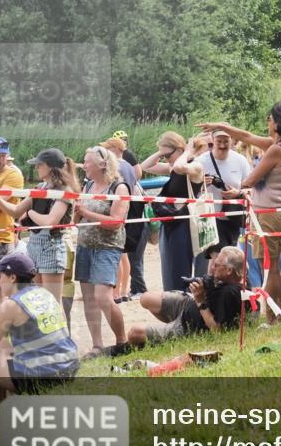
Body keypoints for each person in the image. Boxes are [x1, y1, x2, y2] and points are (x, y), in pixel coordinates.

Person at [198, 104, 281, 324]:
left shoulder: (275, 149)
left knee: (272, 268)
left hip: (268, 214)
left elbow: (251, 179)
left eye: (270, 119)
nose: (267, 122)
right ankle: (279, 314)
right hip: (274, 212)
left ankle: (273, 317)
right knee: (273, 266)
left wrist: (236, 191)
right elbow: (245, 136)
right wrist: (220, 126)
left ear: (277, 123)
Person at [0, 253, 79, 404]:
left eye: (0, 275)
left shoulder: (11, 305)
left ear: (12, 278)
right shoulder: (45, 294)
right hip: (66, 371)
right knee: (3, 346)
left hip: (39, 379)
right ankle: (1, 404)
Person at [0, 148, 77, 310]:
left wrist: (30, 213)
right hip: (34, 245)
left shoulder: (65, 191)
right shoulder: (40, 187)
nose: (36, 168)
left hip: (52, 246)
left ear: (49, 167)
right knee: (38, 300)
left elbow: (51, 221)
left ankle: (59, 334)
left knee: (52, 302)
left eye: (39, 165)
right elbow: (16, 211)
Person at [128, 245, 245, 346]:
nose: (212, 268)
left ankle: (169, 331)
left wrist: (200, 300)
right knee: (146, 298)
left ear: (229, 270)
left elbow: (217, 330)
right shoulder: (232, 280)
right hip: (190, 303)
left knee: (134, 333)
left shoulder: (229, 293)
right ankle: (169, 326)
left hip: (189, 324)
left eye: (216, 265)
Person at [74, 145, 130, 355]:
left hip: (107, 248)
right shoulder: (87, 186)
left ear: (102, 164)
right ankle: (97, 345)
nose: (84, 165)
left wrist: (86, 211)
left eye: (87, 161)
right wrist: (77, 211)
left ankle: (122, 341)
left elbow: (116, 222)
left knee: (103, 297)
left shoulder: (119, 188)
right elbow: (76, 219)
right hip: (85, 246)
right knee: (89, 299)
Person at [139, 132, 206, 295]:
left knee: (180, 268)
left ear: (181, 149)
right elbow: (145, 166)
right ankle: (173, 303)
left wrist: (188, 152)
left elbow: (179, 167)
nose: (165, 159)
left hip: (186, 224)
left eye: (168, 155)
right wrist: (162, 152)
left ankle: (183, 304)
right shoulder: (173, 167)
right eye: (164, 155)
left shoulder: (194, 166)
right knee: (169, 268)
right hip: (170, 223)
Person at [195, 128, 251, 262]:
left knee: (226, 260)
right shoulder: (200, 161)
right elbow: (189, 191)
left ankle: (214, 282)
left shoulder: (240, 160)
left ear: (232, 141)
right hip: (210, 218)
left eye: (226, 141)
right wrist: (202, 186)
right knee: (219, 259)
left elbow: (250, 188)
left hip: (233, 218)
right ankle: (216, 282)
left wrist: (238, 193)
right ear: (212, 141)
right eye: (218, 141)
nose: (222, 145)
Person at [100, 137, 138, 304]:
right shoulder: (129, 166)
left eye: (107, 149)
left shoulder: (118, 166)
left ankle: (116, 291)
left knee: (119, 255)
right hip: (128, 210)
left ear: (115, 148)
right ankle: (123, 290)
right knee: (124, 255)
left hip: (119, 210)